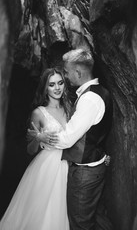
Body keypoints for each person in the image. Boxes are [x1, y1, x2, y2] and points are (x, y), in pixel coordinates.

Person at [44, 49, 113, 230]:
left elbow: (67, 139)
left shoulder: (89, 99)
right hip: (94, 167)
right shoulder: (100, 92)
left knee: (80, 224)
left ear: (79, 72)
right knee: (96, 218)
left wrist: (43, 138)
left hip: (85, 173)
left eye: (66, 72)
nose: (65, 77)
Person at [0, 67, 72, 230]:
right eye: (52, 85)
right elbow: (30, 150)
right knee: (41, 214)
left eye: (60, 83)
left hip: (68, 164)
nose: (57, 88)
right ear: (45, 88)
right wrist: (38, 138)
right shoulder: (38, 113)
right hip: (46, 167)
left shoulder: (69, 109)